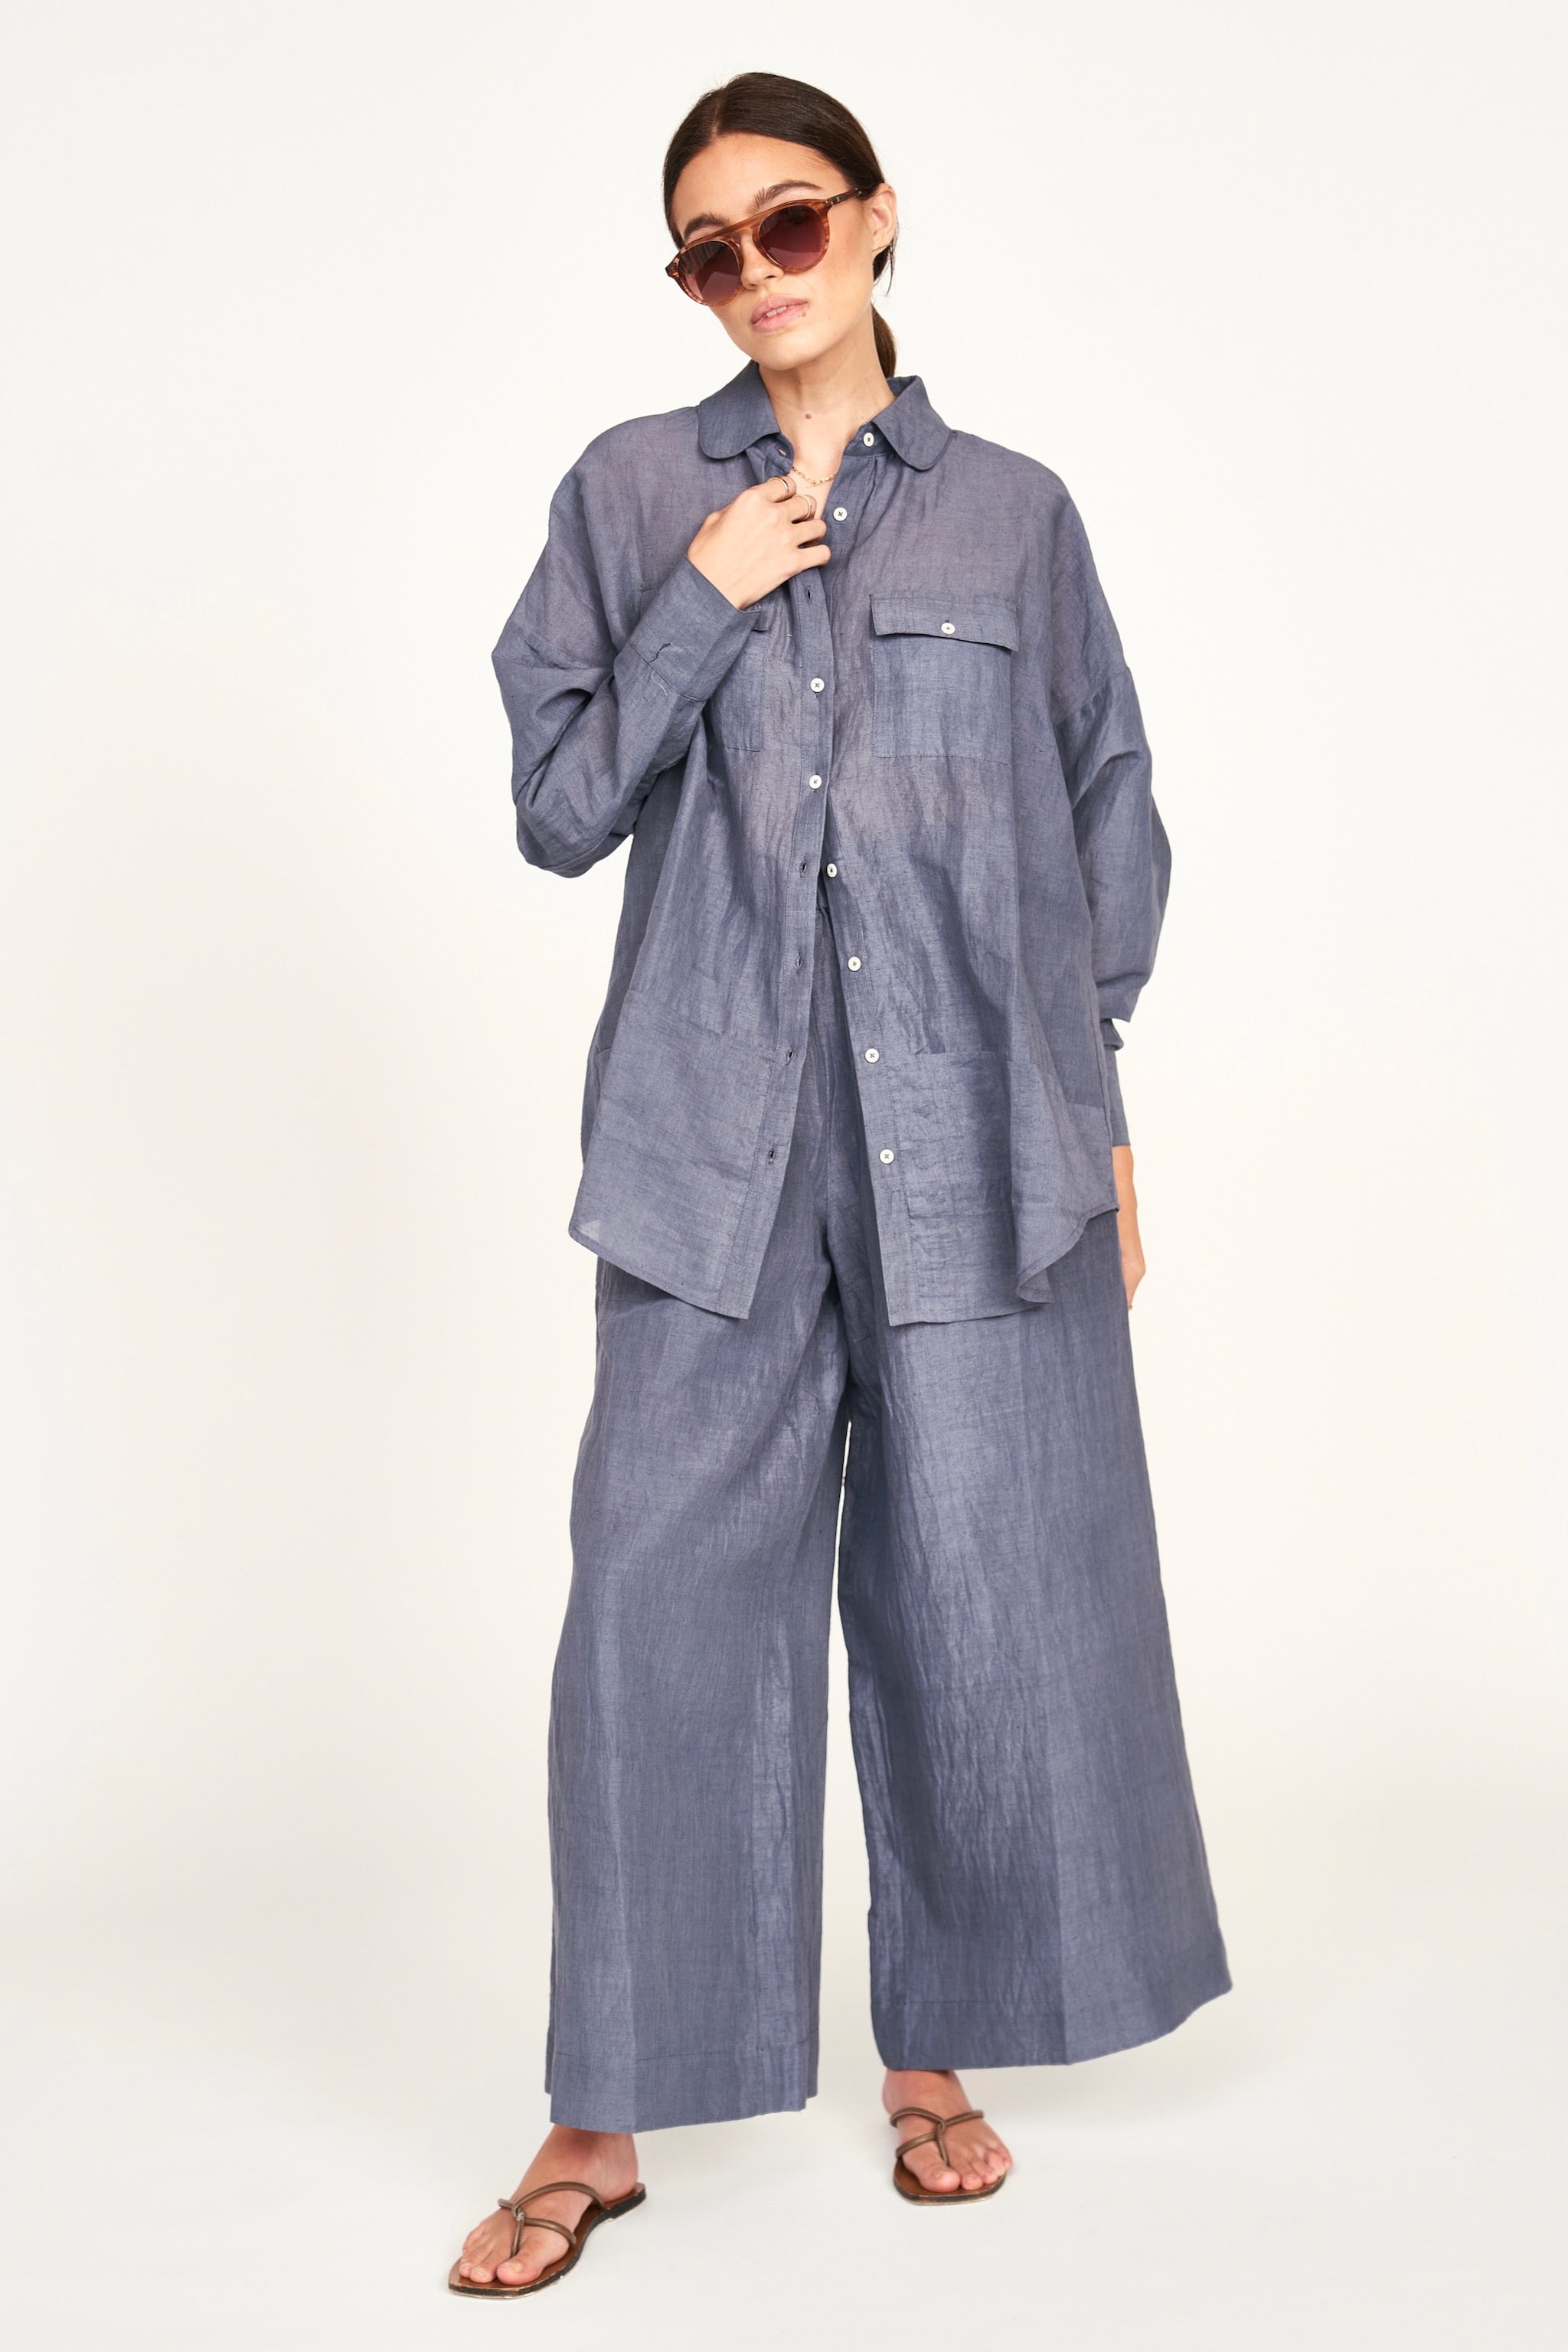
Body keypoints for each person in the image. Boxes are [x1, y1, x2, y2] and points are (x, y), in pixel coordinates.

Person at [449, 70, 1229, 2298]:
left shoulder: (1013, 516)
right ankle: (600, 2114)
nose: (756, 274)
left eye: (789, 224)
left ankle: (931, 2055)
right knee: (654, 1610)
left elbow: (1105, 810)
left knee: (972, 1587)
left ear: (875, 219)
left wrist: (1096, 1114)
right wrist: (702, 599)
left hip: (979, 1132)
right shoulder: (631, 494)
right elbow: (559, 807)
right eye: (710, 250)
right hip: (709, 1140)